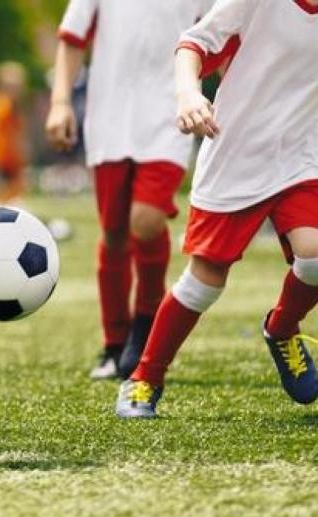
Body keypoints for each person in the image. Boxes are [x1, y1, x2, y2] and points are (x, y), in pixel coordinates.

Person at [116, 0, 318, 418]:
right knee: (205, 282)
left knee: (316, 256)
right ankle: (144, 380)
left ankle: (281, 328)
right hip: (236, 153)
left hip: (302, 156)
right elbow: (194, 43)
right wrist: (189, 94)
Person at [46, 0, 214, 381]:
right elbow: (72, 38)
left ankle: (146, 329)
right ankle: (114, 344)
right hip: (108, 118)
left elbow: (220, 35)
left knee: (147, 220)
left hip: (171, 113)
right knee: (114, 233)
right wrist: (60, 102)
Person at [0, 61, 28, 205]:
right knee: (6, 187)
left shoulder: (9, 104)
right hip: (4, 154)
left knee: (13, 186)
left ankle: (5, 207)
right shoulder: (1, 103)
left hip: (11, 155)